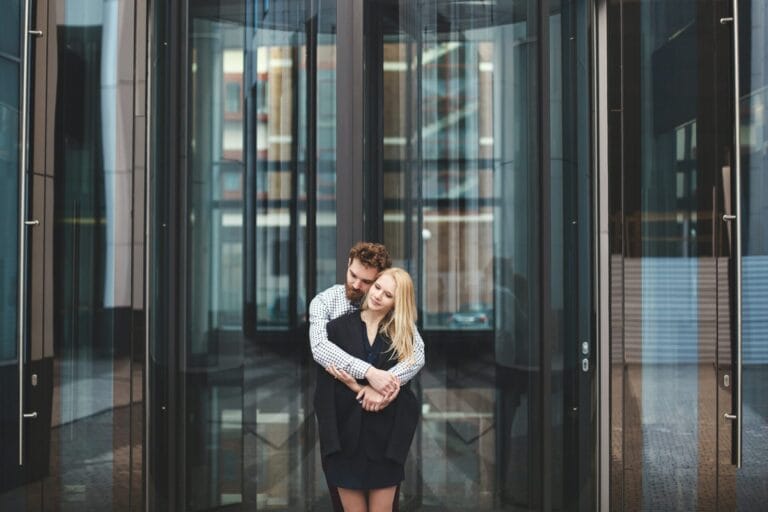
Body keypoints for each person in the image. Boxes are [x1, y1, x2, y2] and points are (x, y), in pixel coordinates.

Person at [309, 242, 425, 511]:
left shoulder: (398, 325)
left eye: (368, 281)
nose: (359, 286)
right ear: (348, 263)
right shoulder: (328, 308)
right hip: (343, 430)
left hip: (384, 437)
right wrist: (368, 377)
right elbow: (320, 350)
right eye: (354, 276)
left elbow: (416, 356)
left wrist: (383, 388)